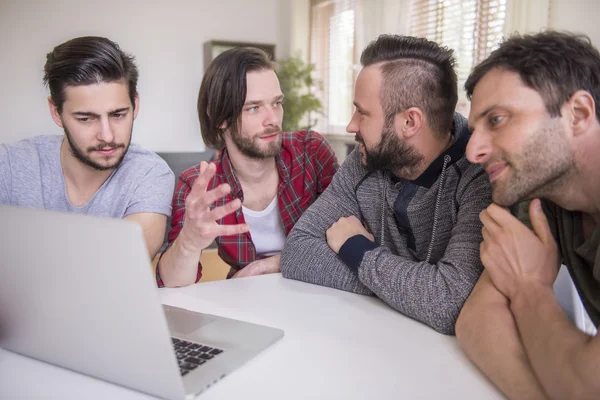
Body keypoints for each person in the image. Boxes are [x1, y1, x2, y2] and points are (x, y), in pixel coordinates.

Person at [280, 34, 492, 335]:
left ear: (410, 122)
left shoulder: (478, 176)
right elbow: (298, 251)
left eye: (362, 113)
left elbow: (450, 302)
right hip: (373, 344)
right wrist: (411, 288)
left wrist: (356, 248)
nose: (351, 126)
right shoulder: (366, 161)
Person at [456, 31, 600, 400]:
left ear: (578, 114)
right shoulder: (543, 192)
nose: (473, 151)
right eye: (474, 130)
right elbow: (477, 320)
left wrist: (529, 290)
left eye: (498, 119)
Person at [156, 47, 338, 287]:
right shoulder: (198, 184)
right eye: (253, 107)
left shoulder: (311, 152)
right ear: (219, 117)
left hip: (320, 291)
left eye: (277, 103)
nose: (272, 119)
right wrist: (189, 242)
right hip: (247, 298)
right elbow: (172, 285)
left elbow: (352, 237)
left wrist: (272, 265)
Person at [0, 36, 174, 259]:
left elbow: (121, 266)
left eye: (118, 115)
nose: (107, 135)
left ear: (135, 105)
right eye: (85, 119)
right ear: (56, 112)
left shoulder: (149, 173)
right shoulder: (9, 166)